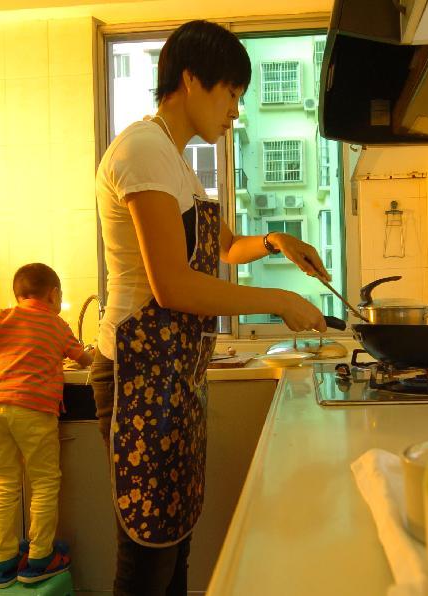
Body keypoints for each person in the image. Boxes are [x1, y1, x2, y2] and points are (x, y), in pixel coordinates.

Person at [92, 19, 329, 595]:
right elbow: (173, 286)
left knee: (175, 541)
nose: (236, 112)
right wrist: (278, 300)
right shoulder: (144, 151)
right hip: (138, 373)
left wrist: (276, 242)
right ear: (191, 80)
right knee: (147, 556)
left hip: (173, 374)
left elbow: (223, 248)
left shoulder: (176, 163)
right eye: (232, 94)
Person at [0, 263, 94, 587]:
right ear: (54, 294)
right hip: (33, 408)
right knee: (44, 481)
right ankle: (40, 558)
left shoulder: (3, 316)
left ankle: (4, 560)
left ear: (17, 294)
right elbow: (83, 358)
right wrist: (94, 355)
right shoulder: (57, 324)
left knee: (3, 480)